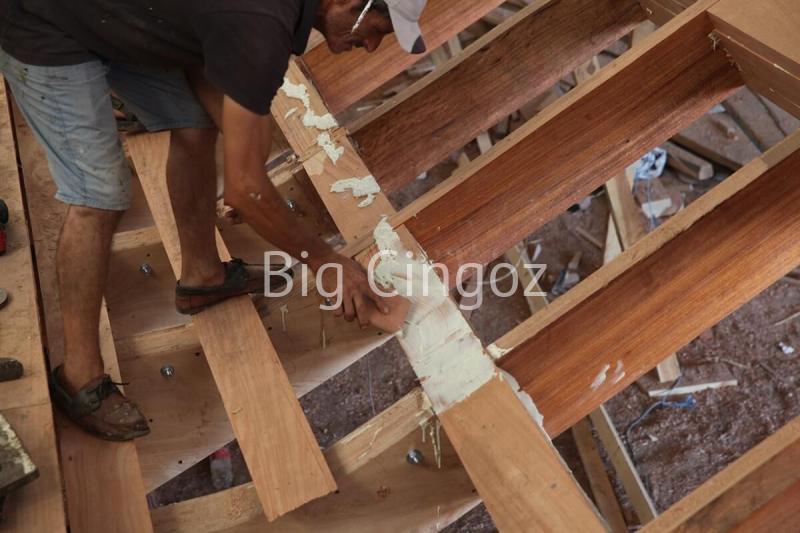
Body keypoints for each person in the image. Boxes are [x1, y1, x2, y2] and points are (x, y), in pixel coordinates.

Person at [0, 0, 428, 441]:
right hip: (43, 22)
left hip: (117, 13)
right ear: (349, 2)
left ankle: (202, 276)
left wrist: (255, 182)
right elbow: (244, 189)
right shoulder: (263, 26)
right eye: (378, 30)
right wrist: (326, 261)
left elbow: (207, 57)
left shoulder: (266, 20)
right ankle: (79, 377)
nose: (372, 47)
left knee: (196, 121)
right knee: (100, 195)